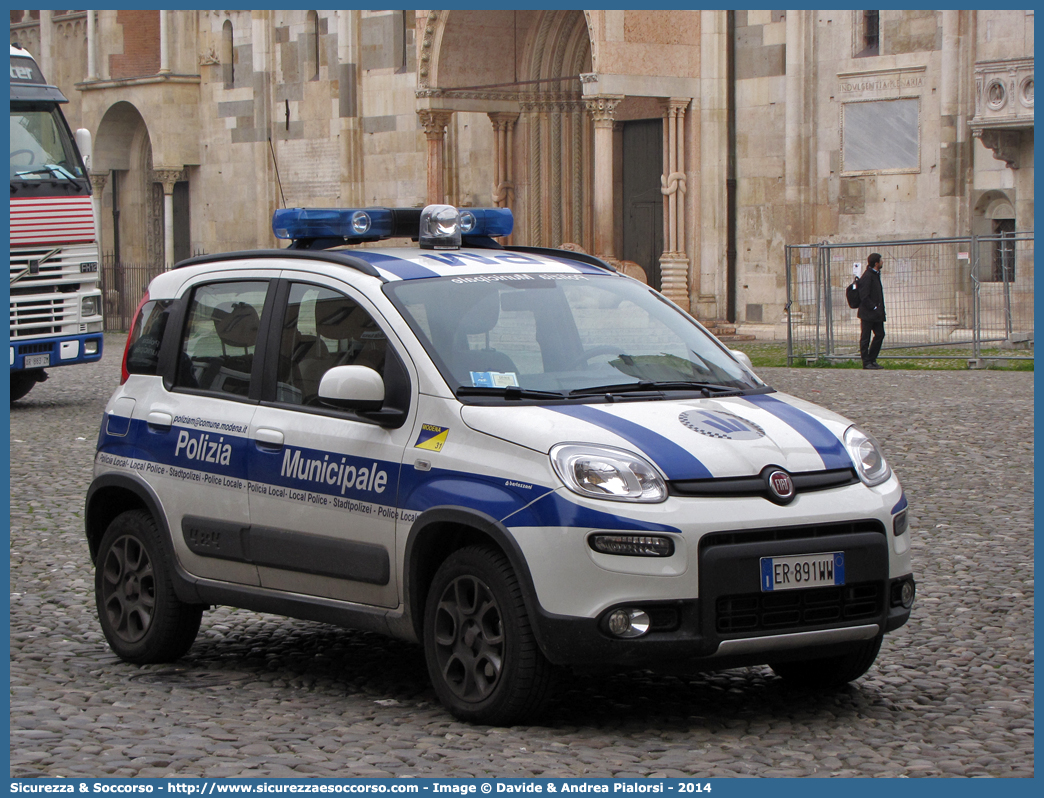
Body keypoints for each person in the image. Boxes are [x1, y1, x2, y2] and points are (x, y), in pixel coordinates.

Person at [857, 252, 885, 370]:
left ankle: (872, 359)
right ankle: (866, 362)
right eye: (881, 260)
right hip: (868, 313)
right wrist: (873, 307)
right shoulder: (868, 276)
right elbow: (864, 296)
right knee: (865, 337)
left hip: (876, 313)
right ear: (876, 263)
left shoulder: (876, 274)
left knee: (880, 334)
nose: (883, 262)